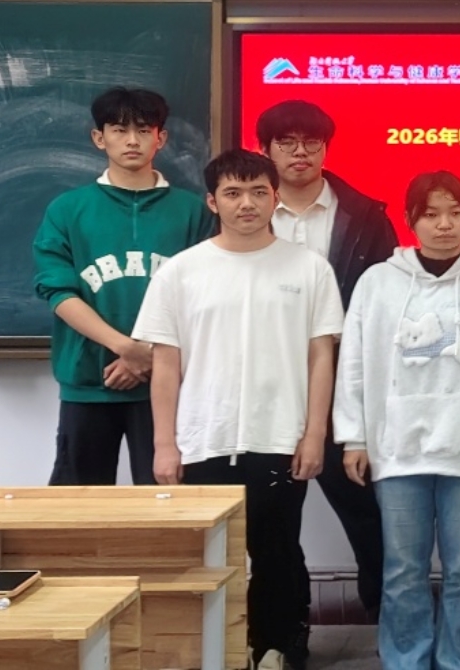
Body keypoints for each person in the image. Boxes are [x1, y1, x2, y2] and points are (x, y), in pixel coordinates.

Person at [135, 149, 343, 670]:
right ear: (212, 201)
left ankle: (278, 648)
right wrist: (164, 444)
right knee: (210, 556)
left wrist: (314, 434)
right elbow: (165, 365)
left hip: (280, 437)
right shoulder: (181, 272)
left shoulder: (309, 268)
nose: (246, 203)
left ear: (275, 197)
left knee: (277, 549)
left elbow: (321, 356)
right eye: (232, 193)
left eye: (257, 192)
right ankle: (221, 651)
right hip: (203, 438)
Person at [335, 171, 460, 670]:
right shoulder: (378, 282)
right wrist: (354, 437)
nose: (445, 225)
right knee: (403, 570)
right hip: (398, 450)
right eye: (431, 214)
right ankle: (407, 660)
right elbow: (353, 362)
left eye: (456, 213)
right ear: (410, 220)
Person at [257, 100, 395, 639]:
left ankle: (392, 633)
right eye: (286, 142)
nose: (300, 152)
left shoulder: (365, 216)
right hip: (267, 388)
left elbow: (386, 306)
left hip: (345, 388)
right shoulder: (246, 211)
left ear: (325, 148)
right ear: (265, 149)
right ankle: (286, 638)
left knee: (369, 518)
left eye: (311, 142)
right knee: (272, 525)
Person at [33, 86, 215, 486]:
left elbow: (203, 297)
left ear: (161, 138)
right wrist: (125, 347)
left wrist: (145, 355)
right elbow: (58, 292)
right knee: (77, 501)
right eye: (119, 130)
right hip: (88, 384)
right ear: (99, 138)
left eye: (144, 130)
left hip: (168, 387)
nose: (132, 140)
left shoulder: (192, 211)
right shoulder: (67, 210)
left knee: (166, 502)